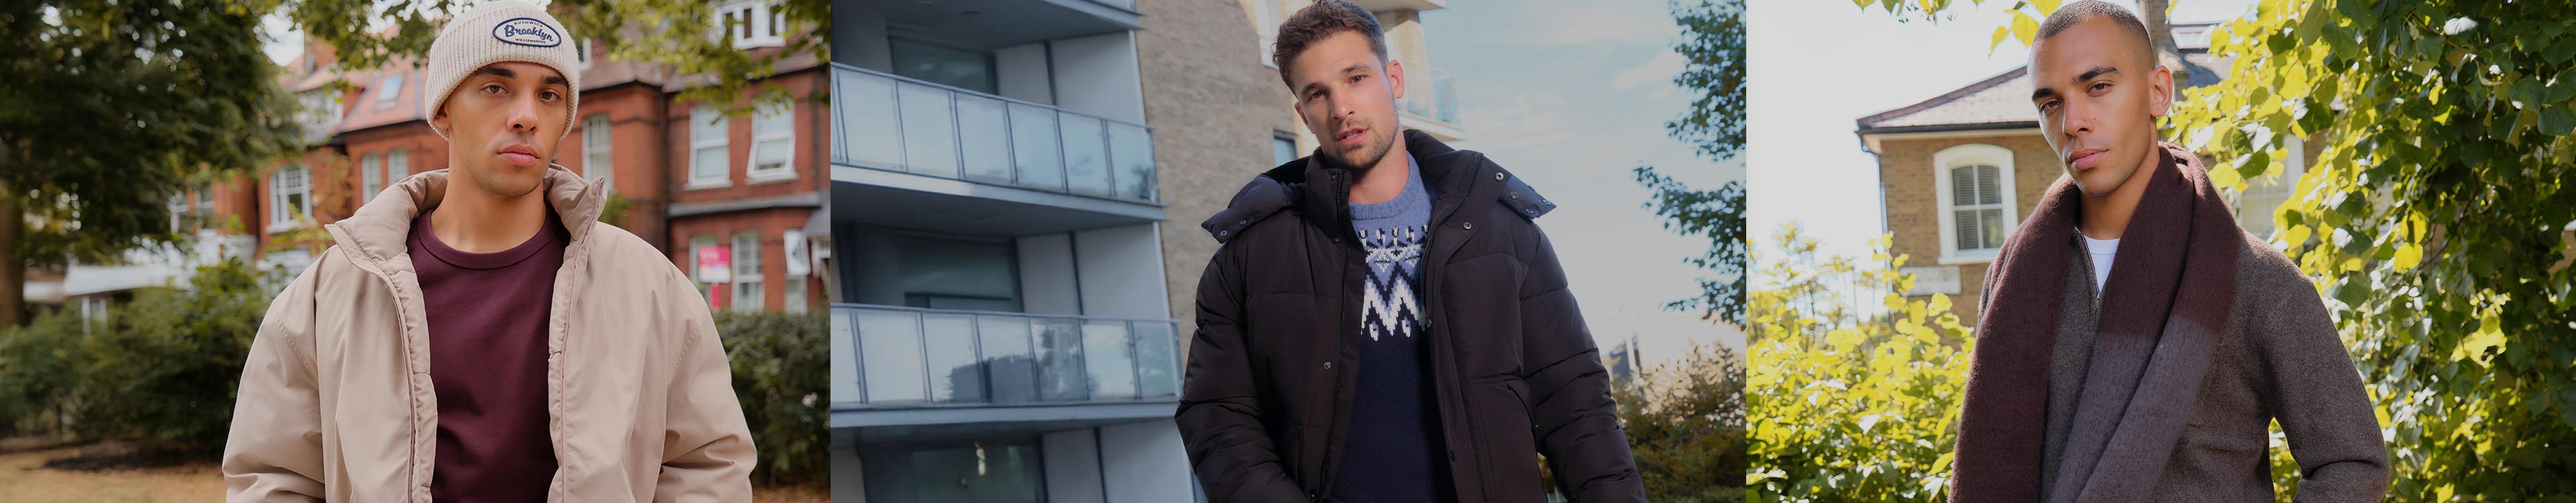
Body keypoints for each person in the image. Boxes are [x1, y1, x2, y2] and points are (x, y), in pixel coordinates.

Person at [220, 2, 756, 500]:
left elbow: (708, 465)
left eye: (549, 94)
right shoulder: (329, 292)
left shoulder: (649, 285)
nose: (526, 115)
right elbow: (273, 475)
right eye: (495, 87)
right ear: (444, 110)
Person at [1175, 1, 1646, 502]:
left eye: (1356, 78)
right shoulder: (1252, 256)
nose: (1341, 109)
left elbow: (1576, 407)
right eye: (1318, 94)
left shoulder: (1501, 233)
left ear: (1394, 79)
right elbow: (1217, 417)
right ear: (1303, 114)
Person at [1947, 2, 2387, 501]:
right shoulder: (2013, 278)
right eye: (2050, 103)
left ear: (2158, 92)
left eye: (2098, 87)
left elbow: (2351, 462)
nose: (2073, 121)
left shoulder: (2256, 279)